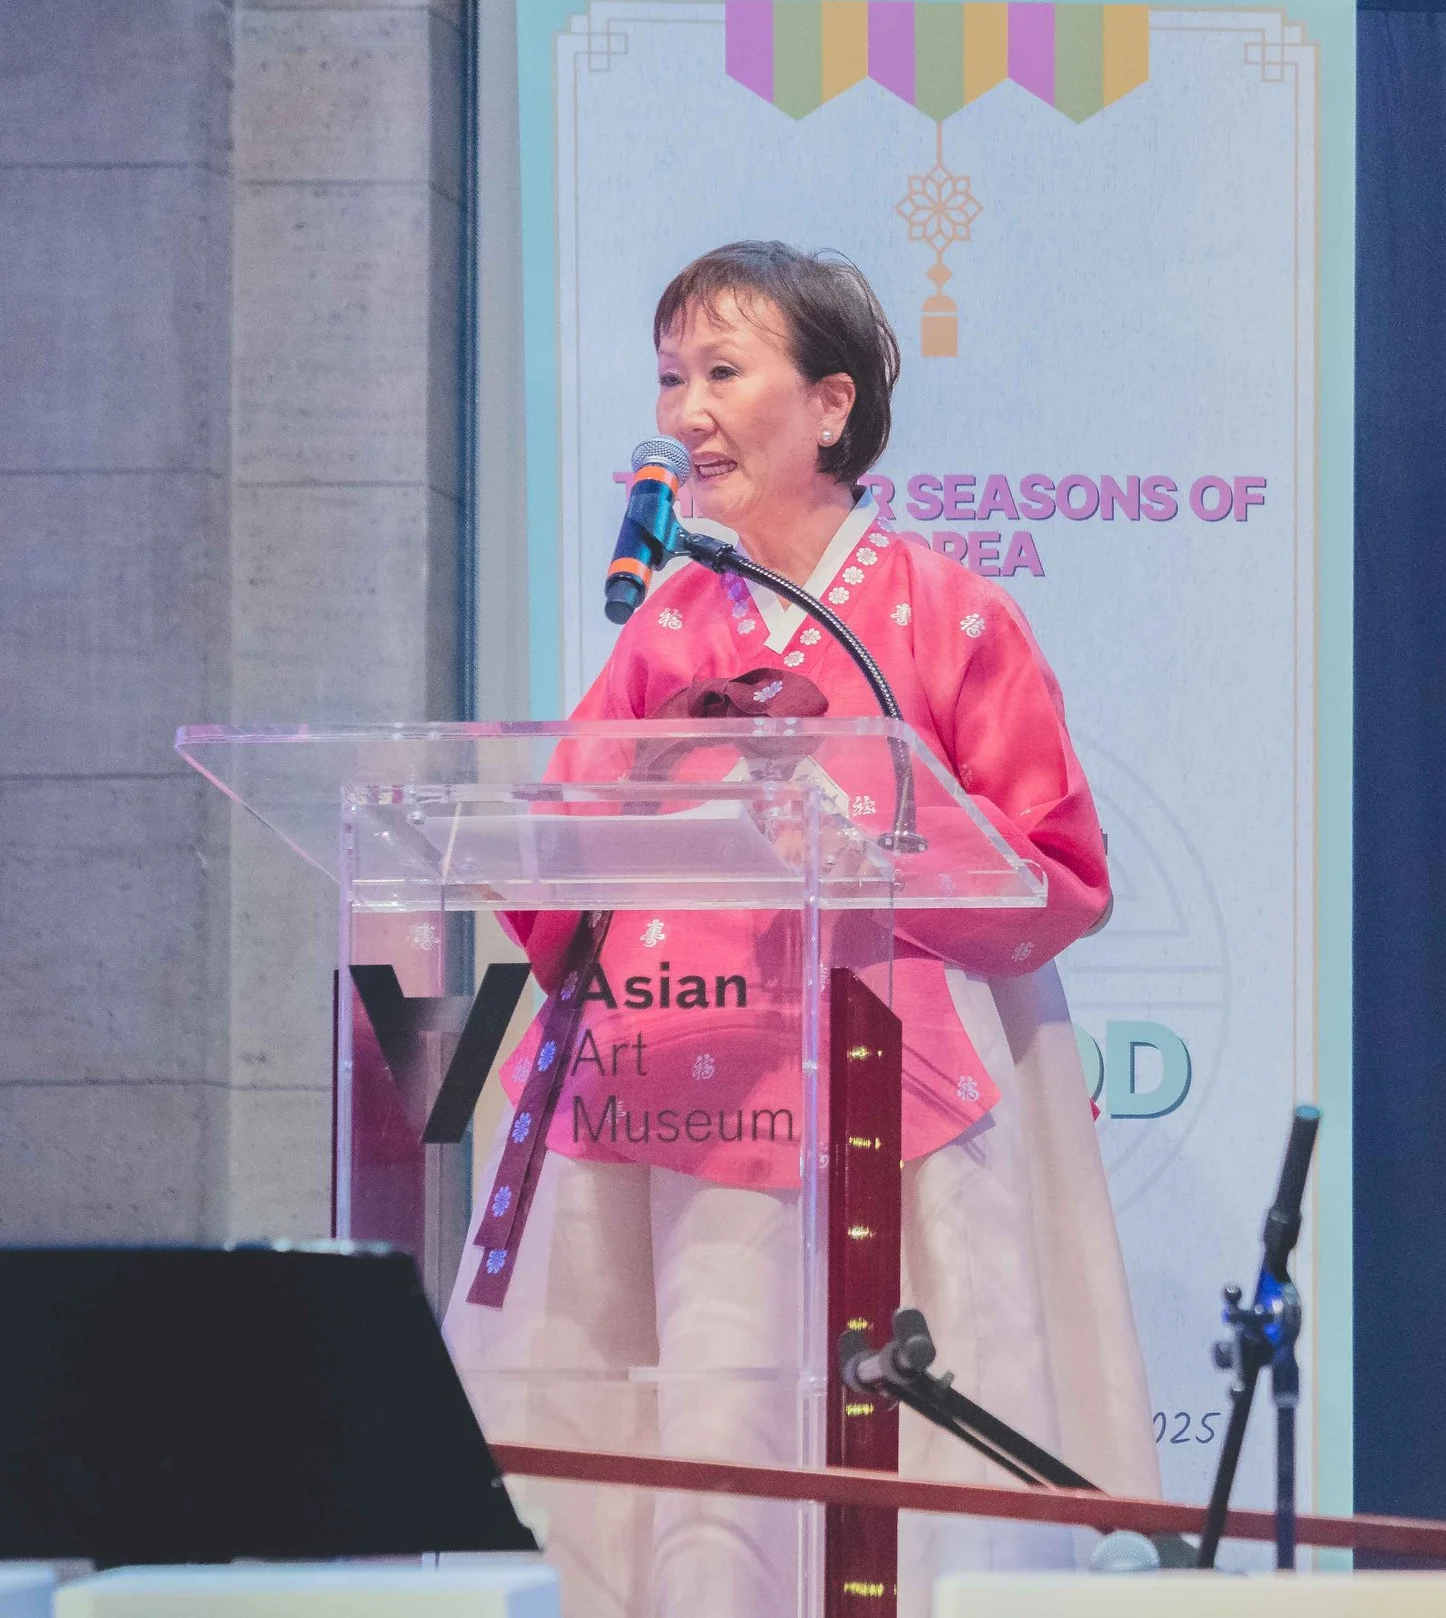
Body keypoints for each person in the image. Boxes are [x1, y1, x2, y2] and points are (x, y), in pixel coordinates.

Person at [445, 241, 1159, 1618]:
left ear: (832, 405)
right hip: (671, 1087)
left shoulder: (952, 615)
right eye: (671, 378)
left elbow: (1057, 874)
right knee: (687, 1430)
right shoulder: (666, 620)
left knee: (899, 1456)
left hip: (894, 1106)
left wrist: (867, 837)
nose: (686, 413)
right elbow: (562, 848)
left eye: (723, 371)